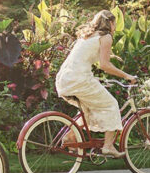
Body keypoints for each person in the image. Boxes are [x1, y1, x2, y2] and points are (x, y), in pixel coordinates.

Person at [55, 10, 136, 158]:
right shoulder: (106, 37)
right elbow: (104, 65)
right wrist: (126, 75)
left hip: (64, 79)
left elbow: (88, 59)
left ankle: (69, 137)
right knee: (112, 105)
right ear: (110, 23)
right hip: (79, 80)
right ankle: (108, 146)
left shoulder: (86, 36)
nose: (115, 27)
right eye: (115, 24)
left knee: (88, 110)